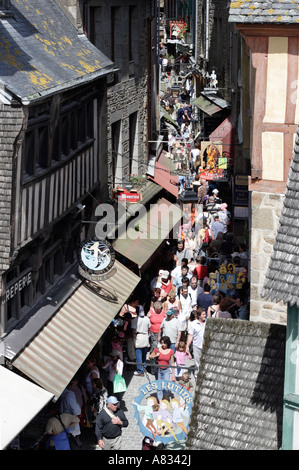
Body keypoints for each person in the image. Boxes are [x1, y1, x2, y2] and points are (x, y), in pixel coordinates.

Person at [149, 336, 175, 401]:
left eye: (164, 343)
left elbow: (172, 363)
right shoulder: (157, 349)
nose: (163, 344)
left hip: (166, 370)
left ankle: (165, 399)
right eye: (162, 343)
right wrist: (155, 355)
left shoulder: (171, 351)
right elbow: (150, 356)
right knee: (159, 386)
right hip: (158, 370)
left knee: (166, 385)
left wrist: (173, 375)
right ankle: (160, 401)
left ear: (167, 343)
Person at [186, 308, 206, 378]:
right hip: (197, 345)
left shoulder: (207, 322)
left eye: (205, 314)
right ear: (199, 316)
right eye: (203, 314)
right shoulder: (193, 324)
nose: (205, 315)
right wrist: (187, 346)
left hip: (206, 346)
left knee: (205, 362)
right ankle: (197, 376)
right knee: (197, 362)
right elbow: (190, 335)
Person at [131, 305, 151, 376]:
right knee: (144, 353)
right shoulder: (147, 319)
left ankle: (140, 371)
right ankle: (144, 367)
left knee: (138, 354)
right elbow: (149, 328)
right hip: (145, 336)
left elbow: (133, 330)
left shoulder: (134, 320)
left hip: (138, 336)